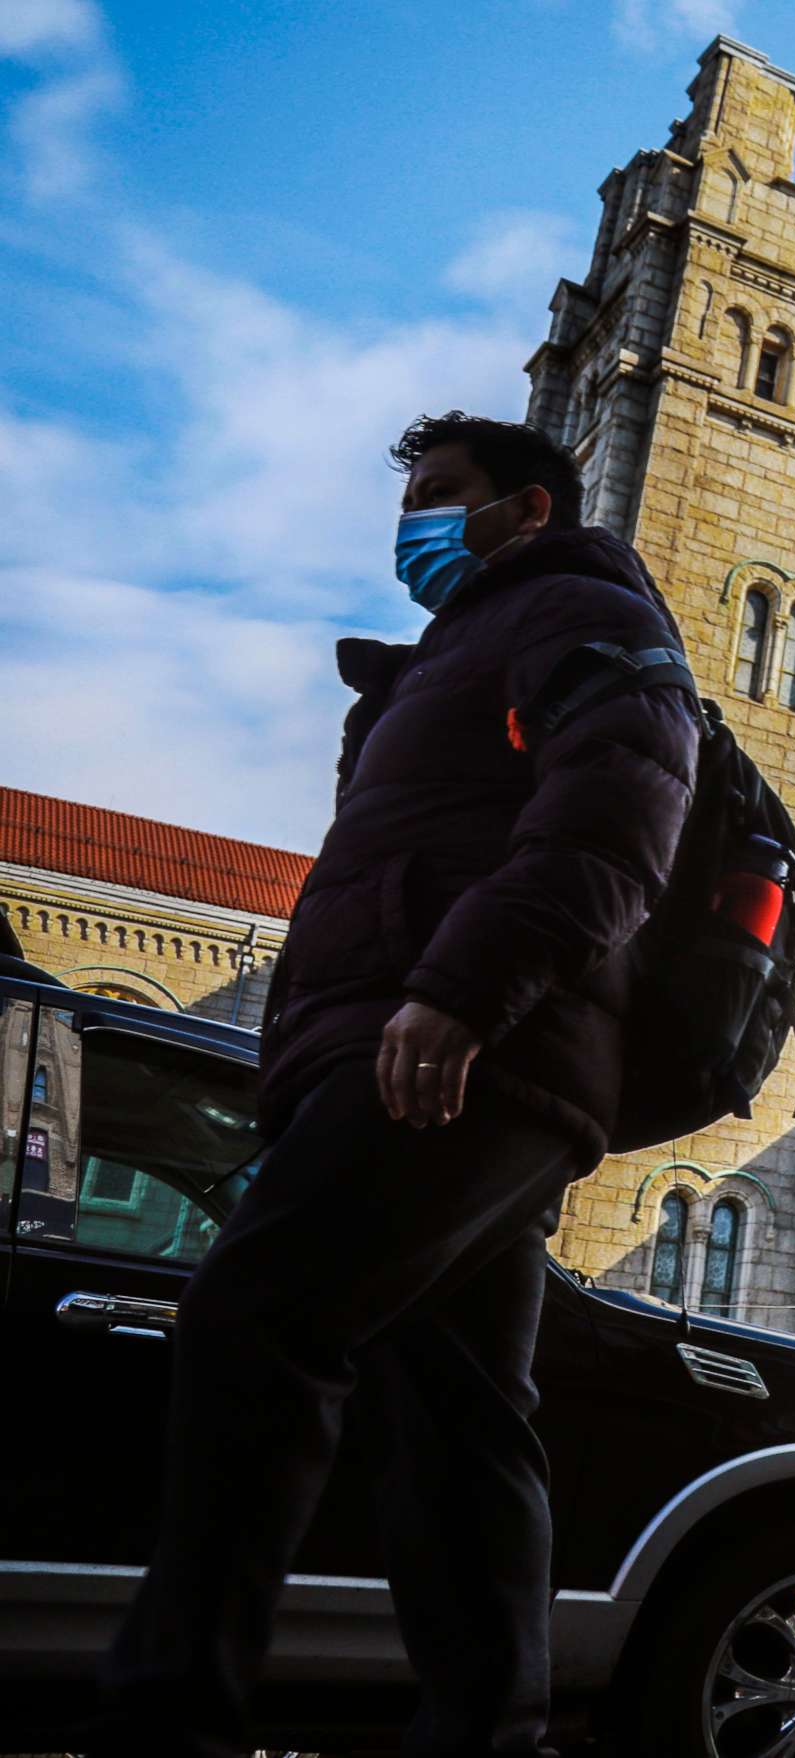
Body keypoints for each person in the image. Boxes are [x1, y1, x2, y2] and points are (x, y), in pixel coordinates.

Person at [93, 413, 701, 1757]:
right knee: (460, 1415)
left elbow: (623, 803)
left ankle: (167, 1712)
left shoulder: (577, 606)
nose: (412, 520)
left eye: (439, 493)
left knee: (254, 1319)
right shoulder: (455, 653)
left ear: (526, 508)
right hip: (421, 1043)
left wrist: (463, 988)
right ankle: (489, 1728)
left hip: (470, 1051)